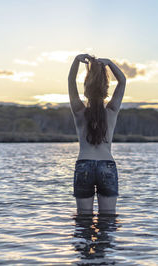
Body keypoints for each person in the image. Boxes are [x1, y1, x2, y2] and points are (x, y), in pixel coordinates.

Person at [68, 54, 126, 215]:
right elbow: (122, 81)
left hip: (84, 165)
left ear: (86, 91)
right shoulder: (112, 111)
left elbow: (71, 82)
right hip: (106, 165)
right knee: (108, 219)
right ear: (105, 92)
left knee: (83, 219)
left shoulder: (79, 112)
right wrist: (109, 64)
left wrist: (76, 61)